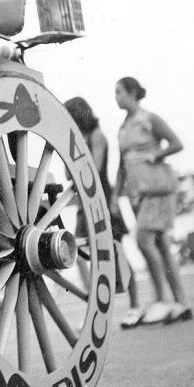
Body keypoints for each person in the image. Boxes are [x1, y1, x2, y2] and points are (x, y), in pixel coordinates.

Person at [113, 77, 193, 325]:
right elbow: (121, 166)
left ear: (132, 93)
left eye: (120, 92)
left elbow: (177, 143)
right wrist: (115, 195)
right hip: (138, 193)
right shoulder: (123, 128)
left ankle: (162, 300)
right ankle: (182, 303)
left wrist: (156, 155)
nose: (116, 97)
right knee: (160, 244)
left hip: (156, 189)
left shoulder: (149, 119)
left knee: (143, 238)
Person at [64, 96, 145, 329]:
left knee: (118, 255)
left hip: (102, 202)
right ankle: (94, 308)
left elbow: (95, 169)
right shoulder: (78, 139)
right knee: (78, 254)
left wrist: (77, 151)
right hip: (84, 206)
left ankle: (135, 305)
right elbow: (70, 175)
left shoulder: (96, 136)